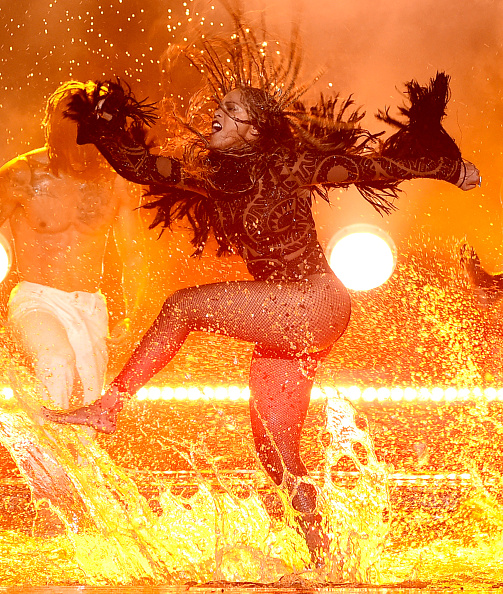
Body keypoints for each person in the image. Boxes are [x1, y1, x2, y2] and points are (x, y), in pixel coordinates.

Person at [43, 24, 480, 564]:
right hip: (286, 322)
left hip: (315, 301)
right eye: (216, 109)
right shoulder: (212, 174)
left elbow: (376, 167)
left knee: (184, 306)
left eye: (229, 109)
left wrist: (451, 168)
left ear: (256, 127)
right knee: (277, 456)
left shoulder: (292, 164)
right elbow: (139, 167)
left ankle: (108, 408)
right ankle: (320, 560)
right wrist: (102, 124)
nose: (215, 116)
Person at [0, 81, 148, 532]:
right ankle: (50, 503)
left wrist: (136, 310)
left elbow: (134, 250)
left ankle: (72, 518)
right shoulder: (20, 175)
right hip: (35, 297)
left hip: (90, 306)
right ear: (49, 124)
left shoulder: (116, 178)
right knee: (55, 363)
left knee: (88, 408)